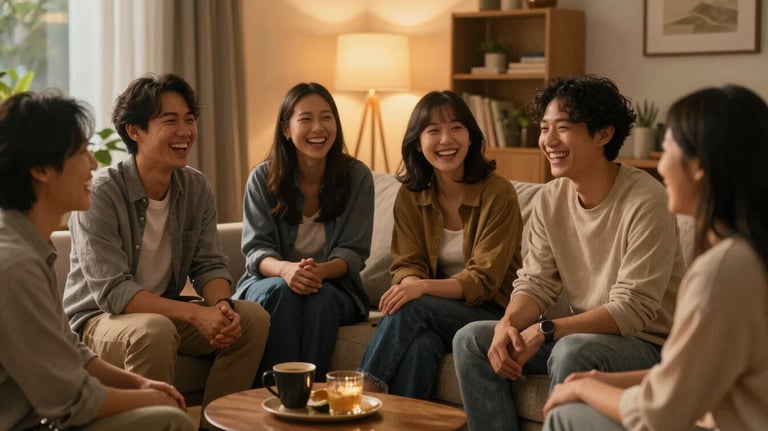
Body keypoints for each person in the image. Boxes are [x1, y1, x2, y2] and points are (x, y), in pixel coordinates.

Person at [453, 74, 686, 431]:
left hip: (645, 346)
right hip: (577, 337)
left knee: (572, 349)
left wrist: (546, 330)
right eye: (544, 128)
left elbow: (632, 310)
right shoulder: (551, 198)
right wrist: (508, 324)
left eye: (563, 128)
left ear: (604, 134)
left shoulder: (647, 200)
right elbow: (535, 283)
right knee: (472, 339)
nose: (548, 141)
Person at [542, 85, 768, 431]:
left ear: (699, 168)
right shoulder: (748, 255)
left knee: (566, 415)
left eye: (667, 151)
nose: (659, 168)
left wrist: (586, 387)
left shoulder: (721, 271)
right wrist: (603, 382)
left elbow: (659, 414)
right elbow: (694, 376)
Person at [62, 73, 269, 430]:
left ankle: (212, 425)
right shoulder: (101, 194)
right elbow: (113, 292)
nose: (185, 131)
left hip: (161, 313)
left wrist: (220, 309)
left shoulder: (195, 186)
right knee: (155, 331)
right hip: (98, 319)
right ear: (134, 131)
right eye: (169, 121)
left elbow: (209, 264)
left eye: (189, 120)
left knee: (251, 319)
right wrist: (194, 316)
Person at [0, 91, 195, 431]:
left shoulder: (31, 245)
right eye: (81, 152)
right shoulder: (15, 266)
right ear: (41, 169)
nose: (92, 164)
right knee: (169, 421)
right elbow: (71, 401)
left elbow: (67, 349)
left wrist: (140, 384)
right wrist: (154, 399)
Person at [359, 90, 523, 399]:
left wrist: (419, 290)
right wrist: (410, 286)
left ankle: (362, 394)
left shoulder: (498, 194)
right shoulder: (411, 195)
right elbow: (407, 263)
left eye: (456, 128)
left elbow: (483, 280)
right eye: (433, 130)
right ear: (418, 144)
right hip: (435, 314)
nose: (446, 139)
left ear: (471, 138)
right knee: (423, 345)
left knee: (415, 306)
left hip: (491, 314)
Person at [233, 82, 373, 380]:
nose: (318, 128)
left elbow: (354, 252)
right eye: (305, 119)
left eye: (326, 117)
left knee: (320, 298)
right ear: (286, 129)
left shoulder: (357, 176)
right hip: (270, 282)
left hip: (335, 287)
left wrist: (317, 273)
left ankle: (311, 399)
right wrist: (286, 271)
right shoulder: (262, 178)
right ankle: (277, 394)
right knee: (284, 292)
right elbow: (256, 251)